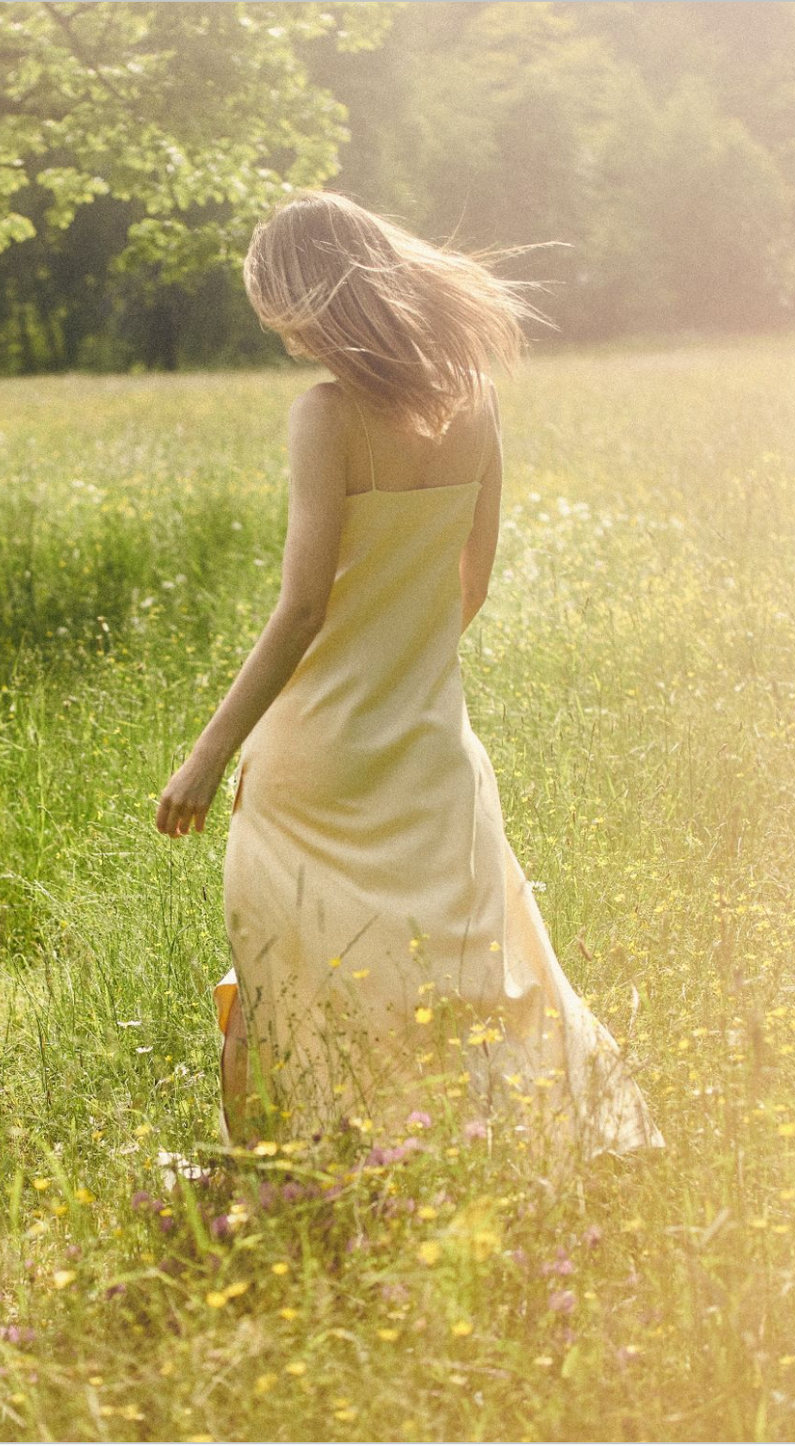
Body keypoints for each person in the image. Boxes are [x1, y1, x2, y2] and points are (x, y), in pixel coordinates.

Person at [153, 191, 660, 1162]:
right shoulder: (474, 399)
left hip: (316, 753)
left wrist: (208, 755)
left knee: (294, 972)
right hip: (430, 744)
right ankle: (490, 1151)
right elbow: (470, 583)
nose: (279, 332)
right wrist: (403, 673)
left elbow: (302, 608)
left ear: (312, 303)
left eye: (278, 309)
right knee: (467, 972)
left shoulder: (325, 418)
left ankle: (296, 1169)